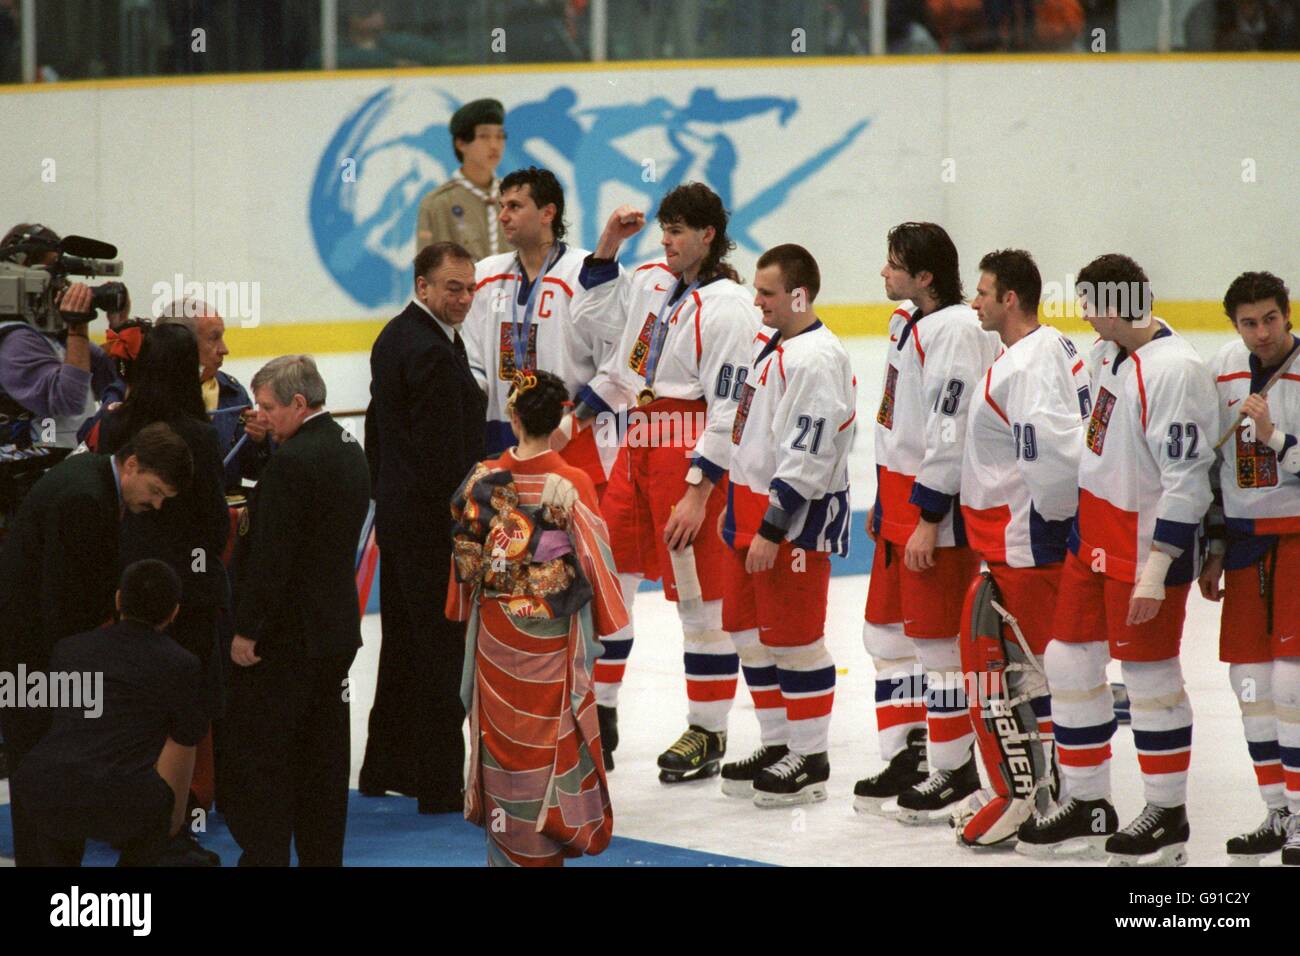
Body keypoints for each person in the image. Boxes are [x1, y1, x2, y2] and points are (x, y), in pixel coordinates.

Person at [1016, 254, 1217, 866]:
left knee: (1152, 681)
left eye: (1087, 302)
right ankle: (1087, 802)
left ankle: (1167, 815)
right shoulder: (1104, 355)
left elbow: (1188, 482)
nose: (1080, 314)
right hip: (1093, 538)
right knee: (1069, 661)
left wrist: (1158, 571)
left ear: (1113, 303)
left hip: (1144, 549)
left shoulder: (1177, 372)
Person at [571, 183, 760, 782]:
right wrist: (607, 246)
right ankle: (600, 714)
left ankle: (708, 730)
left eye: (678, 230)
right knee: (611, 580)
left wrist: (700, 490)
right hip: (635, 452)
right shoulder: (651, 279)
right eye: (665, 229)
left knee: (699, 602)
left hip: (687, 456)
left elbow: (730, 407)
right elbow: (592, 321)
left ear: (708, 235)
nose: (666, 240)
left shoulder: (729, 306)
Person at [447, 370, 627, 866]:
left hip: (497, 634)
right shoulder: (574, 482)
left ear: (513, 416)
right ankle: (547, 851)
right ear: (562, 418)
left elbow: (466, 572)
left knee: (501, 748)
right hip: (552, 636)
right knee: (550, 746)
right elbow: (595, 569)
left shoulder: (483, 477)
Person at [856, 222, 999, 823]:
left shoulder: (957, 332)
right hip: (899, 503)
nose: (883, 273)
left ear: (925, 276)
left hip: (934, 510)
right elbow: (900, 422)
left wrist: (926, 517)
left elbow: (950, 431)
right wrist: (888, 507)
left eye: (893, 264)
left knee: (939, 646)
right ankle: (910, 754)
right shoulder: (906, 322)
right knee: (886, 637)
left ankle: (954, 769)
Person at [0, 422, 193, 865]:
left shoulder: (90, 477)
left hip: (30, 654)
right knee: (42, 770)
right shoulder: (85, 500)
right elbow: (63, 605)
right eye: (157, 490)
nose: (157, 504)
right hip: (32, 662)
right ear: (131, 465)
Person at [952, 249, 1089, 847]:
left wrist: (1049, 532)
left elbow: (1053, 465)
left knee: (1026, 677)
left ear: (1011, 299)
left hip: (1025, 545)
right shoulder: (1046, 348)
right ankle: (1045, 789)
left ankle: (1046, 797)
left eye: (983, 292)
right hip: (1014, 543)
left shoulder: (1027, 366)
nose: (974, 301)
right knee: (1018, 671)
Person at [716, 244, 854, 806]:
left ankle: (811, 756)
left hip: (791, 519)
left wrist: (773, 529)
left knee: (796, 642)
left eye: (768, 293)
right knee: (749, 633)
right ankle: (779, 744)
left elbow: (807, 456)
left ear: (799, 295)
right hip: (747, 506)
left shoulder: (814, 360)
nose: (757, 301)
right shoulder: (774, 343)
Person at [223, 355, 371, 866]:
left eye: (268, 407)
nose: (260, 416)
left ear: (299, 403)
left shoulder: (294, 463)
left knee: (268, 759)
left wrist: (247, 630)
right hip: (334, 628)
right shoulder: (347, 446)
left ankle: (265, 857)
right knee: (324, 760)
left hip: (288, 638)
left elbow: (272, 559)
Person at [361, 242, 486, 812]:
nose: (462, 298)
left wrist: (384, 495)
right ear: (423, 286)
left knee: (407, 645)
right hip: (433, 523)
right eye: (452, 288)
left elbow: (377, 431)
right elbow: (444, 457)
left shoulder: (397, 336)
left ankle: (388, 766)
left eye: (469, 288)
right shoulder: (431, 351)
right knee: (440, 650)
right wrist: (472, 517)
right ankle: (437, 783)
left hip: (401, 516)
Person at [10, 559, 215, 867]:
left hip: (42, 783)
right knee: (156, 811)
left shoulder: (69, 649)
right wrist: (172, 825)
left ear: (118, 599)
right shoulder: (180, 664)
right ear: (174, 611)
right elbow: (183, 745)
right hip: (117, 793)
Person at [1199, 271, 1300, 866]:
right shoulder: (1224, 371)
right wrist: (1213, 547)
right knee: (1251, 685)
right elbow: (1213, 470)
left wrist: (1275, 436)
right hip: (1242, 547)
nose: (1261, 332)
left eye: (1271, 318)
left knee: (1291, 686)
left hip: (1296, 540)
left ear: (1288, 315)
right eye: (1248, 322)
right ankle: (1276, 812)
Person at [95, 323, 230, 725]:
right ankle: (185, 786)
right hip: (186, 582)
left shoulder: (116, 425)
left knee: (131, 698)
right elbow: (213, 522)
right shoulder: (200, 436)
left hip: (127, 578)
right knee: (185, 703)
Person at [462, 165, 624, 493]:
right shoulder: (485, 276)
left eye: (515, 206)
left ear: (547, 212)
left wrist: (570, 424)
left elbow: (617, 363)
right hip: (503, 442)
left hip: (576, 443)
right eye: (501, 207)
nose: (503, 216)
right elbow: (472, 357)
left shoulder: (590, 274)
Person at [0, 223, 123, 449]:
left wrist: (120, 328)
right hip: (31, 471)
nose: (60, 285)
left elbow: (111, 382)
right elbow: (68, 400)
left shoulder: (55, 335)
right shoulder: (15, 340)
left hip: (64, 460)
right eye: (52, 276)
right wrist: (78, 328)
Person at [156, 296, 271, 492]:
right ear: (182, 342)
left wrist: (261, 441)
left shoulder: (233, 393)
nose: (224, 349)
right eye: (213, 338)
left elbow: (255, 470)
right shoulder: (143, 392)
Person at [415, 98, 510, 261]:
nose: (495, 145)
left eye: (500, 136)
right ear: (461, 143)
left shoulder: (514, 198)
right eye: (484, 136)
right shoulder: (438, 204)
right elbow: (426, 273)